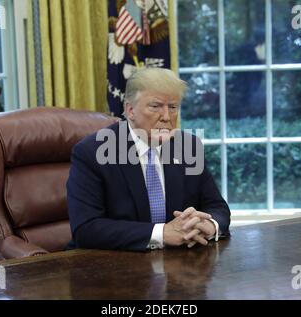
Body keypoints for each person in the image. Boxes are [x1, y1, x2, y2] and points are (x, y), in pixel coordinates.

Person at [66, 67, 231, 251]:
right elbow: (86, 229)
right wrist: (162, 233)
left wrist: (208, 225)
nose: (167, 117)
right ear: (130, 110)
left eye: (173, 107)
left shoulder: (186, 146)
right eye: (155, 106)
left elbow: (218, 207)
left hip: (179, 267)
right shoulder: (93, 152)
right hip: (110, 268)